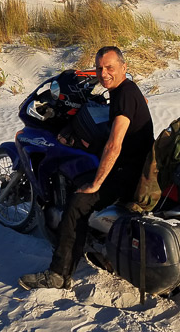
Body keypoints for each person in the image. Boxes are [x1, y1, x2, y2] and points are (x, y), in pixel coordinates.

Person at [19, 46, 154, 290]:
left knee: (77, 202)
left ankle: (58, 274)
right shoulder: (126, 90)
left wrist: (96, 184)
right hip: (136, 166)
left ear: (124, 67)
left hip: (128, 174)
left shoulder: (123, 96)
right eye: (100, 68)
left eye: (110, 67)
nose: (104, 73)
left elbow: (114, 145)